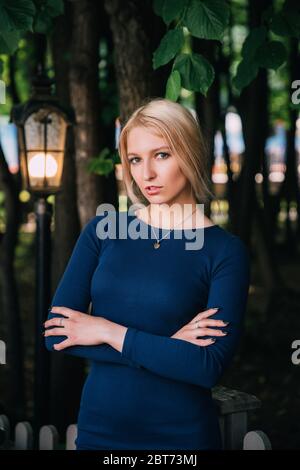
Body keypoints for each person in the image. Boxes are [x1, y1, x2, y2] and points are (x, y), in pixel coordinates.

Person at [44, 98, 250, 450]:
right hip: (99, 432)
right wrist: (169, 347)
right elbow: (57, 334)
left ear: (189, 153)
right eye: (135, 160)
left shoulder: (224, 251)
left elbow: (206, 365)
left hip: (180, 439)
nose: (146, 174)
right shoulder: (103, 231)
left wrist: (106, 331)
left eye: (162, 155)